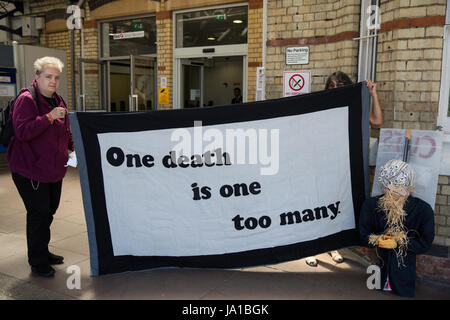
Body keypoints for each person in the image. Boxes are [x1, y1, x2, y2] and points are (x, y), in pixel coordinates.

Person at [305, 71, 383, 267]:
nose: (336, 89)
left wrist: (372, 94)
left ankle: (332, 247)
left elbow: (377, 121)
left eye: (340, 85)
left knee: (335, 207)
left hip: (343, 166)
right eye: (332, 86)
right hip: (320, 165)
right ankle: (312, 249)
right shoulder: (320, 106)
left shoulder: (353, 105)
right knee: (317, 205)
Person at [7, 56, 74, 277]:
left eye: (56, 77)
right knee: (38, 213)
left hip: (53, 169)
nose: (53, 82)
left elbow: (66, 131)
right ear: (37, 77)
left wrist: (73, 150)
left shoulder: (58, 99)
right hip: (30, 169)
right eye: (48, 77)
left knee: (49, 212)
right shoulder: (27, 99)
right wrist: (48, 117)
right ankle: (37, 261)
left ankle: (43, 251)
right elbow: (23, 132)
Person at [359, 160, 434, 297]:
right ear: (384, 183)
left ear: (410, 186)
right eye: (392, 183)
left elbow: (425, 242)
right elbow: (363, 234)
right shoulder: (371, 205)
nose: (396, 189)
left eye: (402, 185)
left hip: (404, 278)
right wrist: (377, 239)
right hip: (376, 276)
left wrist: (400, 243)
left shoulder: (423, 210)